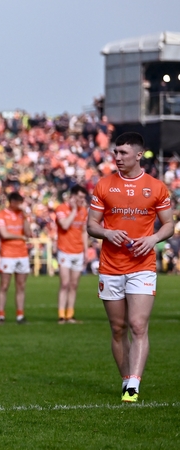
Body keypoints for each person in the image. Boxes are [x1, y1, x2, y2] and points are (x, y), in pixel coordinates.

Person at [87, 132, 173, 403]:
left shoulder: (156, 187)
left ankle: (133, 386)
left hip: (142, 265)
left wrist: (154, 238)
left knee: (138, 325)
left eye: (123, 153)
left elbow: (169, 224)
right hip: (111, 266)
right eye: (116, 152)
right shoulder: (104, 185)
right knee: (118, 328)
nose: (117, 157)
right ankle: (126, 379)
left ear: (138, 155)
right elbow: (91, 225)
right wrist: (107, 234)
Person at [0, 192, 32, 324]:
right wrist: (20, 237)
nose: (19, 205)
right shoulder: (1, 215)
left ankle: (20, 315)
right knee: (4, 285)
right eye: (18, 202)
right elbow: (4, 234)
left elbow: (28, 233)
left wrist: (26, 217)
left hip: (22, 253)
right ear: (12, 202)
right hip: (8, 254)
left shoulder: (22, 215)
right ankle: (0, 314)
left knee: (21, 285)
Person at [55, 185, 89, 324]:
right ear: (72, 196)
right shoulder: (61, 209)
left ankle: (70, 314)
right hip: (65, 250)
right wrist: (74, 210)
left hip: (78, 251)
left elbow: (83, 231)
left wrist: (86, 251)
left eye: (83, 197)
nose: (82, 200)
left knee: (74, 284)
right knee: (65, 283)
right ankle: (61, 315)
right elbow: (64, 225)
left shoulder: (84, 211)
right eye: (80, 197)